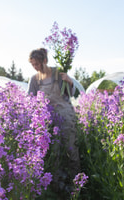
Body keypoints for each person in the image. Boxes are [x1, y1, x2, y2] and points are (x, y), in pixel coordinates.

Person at [27, 48, 81, 191]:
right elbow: (30, 99)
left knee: (71, 148)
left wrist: (69, 82)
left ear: (45, 61)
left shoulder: (59, 74)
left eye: (37, 64)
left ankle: (77, 183)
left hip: (65, 114)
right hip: (47, 118)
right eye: (33, 65)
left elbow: (70, 95)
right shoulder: (34, 80)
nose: (35, 67)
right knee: (53, 152)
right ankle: (56, 185)